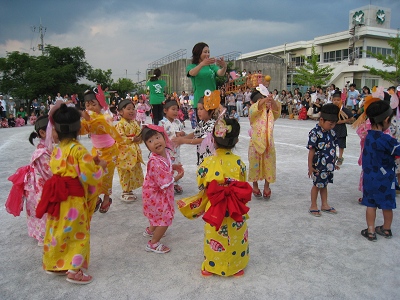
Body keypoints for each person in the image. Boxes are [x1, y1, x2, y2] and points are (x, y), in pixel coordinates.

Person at [37, 102, 106, 283]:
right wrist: (101, 167)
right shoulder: (78, 149)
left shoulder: (57, 149)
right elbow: (89, 176)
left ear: (57, 131)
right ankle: (74, 270)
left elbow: (66, 168)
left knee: (58, 230)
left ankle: (56, 262)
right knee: (78, 233)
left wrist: (91, 161)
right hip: (73, 199)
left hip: (58, 197)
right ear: (78, 129)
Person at [177, 118, 251, 277]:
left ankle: (210, 266)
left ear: (213, 140)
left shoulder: (207, 162)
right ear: (236, 140)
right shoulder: (239, 162)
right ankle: (236, 266)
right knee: (235, 233)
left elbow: (201, 183)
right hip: (235, 207)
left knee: (214, 235)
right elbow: (242, 182)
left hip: (215, 205)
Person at [140, 125, 184, 254]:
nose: (155, 142)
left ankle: (150, 230)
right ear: (147, 146)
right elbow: (164, 182)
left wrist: (174, 166)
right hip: (156, 194)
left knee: (157, 215)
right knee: (165, 218)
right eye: (150, 141)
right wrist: (177, 178)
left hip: (156, 194)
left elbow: (166, 167)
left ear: (164, 137)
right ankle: (153, 243)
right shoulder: (155, 161)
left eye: (157, 137)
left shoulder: (164, 154)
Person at [360, 100, 399, 241]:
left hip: (370, 177)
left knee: (371, 205)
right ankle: (386, 228)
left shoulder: (368, 137)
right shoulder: (387, 140)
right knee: (387, 204)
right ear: (387, 119)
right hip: (386, 179)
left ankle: (371, 231)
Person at [80, 89, 123, 214]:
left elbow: (103, 124)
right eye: (87, 105)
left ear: (101, 104)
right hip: (96, 151)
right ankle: (96, 197)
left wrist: (88, 118)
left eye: (94, 104)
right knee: (94, 174)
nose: (90, 107)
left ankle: (106, 197)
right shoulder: (88, 118)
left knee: (107, 177)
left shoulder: (105, 117)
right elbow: (83, 130)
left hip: (110, 151)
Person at [248, 82, 281, 199]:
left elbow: (277, 110)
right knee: (254, 164)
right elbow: (254, 108)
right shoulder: (253, 111)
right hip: (255, 143)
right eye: (263, 101)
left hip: (268, 143)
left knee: (269, 164)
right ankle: (255, 185)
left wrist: (272, 101)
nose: (266, 104)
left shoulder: (270, 112)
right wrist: (264, 100)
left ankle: (267, 186)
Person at [307, 103, 340, 217]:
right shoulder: (315, 133)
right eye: (330, 124)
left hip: (329, 165)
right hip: (318, 165)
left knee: (324, 184)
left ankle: (324, 204)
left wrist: (334, 162)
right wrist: (310, 166)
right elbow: (311, 150)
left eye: (334, 124)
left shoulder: (332, 132)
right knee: (317, 185)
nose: (332, 126)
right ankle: (313, 205)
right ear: (321, 120)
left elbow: (333, 148)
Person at [172, 97, 217, 165]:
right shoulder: (201, 123)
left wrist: (183, 141)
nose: (198, 111)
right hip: (202, 158)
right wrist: (183, 137)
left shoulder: (213, 125)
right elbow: (195, 134)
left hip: (210, 160)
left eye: (201, 109)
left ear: (211, 111)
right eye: (198, 109)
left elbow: (202, 140)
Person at [115, 99, 144, 202]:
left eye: (133, 109)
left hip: (134, 152)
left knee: (133, 171)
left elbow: (139, 135)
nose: (132, 111)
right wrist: (132, 139)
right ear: (121, 112)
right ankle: (125, 191)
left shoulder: (134, 123)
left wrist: (140, 137)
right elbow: (119, 138)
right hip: (124, 153)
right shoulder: (120, 125)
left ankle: (130, 190)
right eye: (128, 109)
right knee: (125, 171)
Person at [186, 42, 227, 112]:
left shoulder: (211, 66)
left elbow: (220, 73)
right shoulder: (192, 66)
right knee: (202, 123)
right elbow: (192, 73)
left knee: (214, 122)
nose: (207, 54)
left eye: (208, 52)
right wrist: (202, 64)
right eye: (205, 52)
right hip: (200, 102)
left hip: (213, 101)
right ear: (198, 53)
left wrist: (224, 66)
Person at [158, 99, 185, 194]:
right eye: (173, 109)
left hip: (176, 150)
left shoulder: (178, 122)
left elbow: (182, 132)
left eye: (177, 110)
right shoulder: (162, 123)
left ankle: (176, 183)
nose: (175, 112)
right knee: (167, 166)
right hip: (166, 151)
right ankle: (167, 183)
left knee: (177, 166)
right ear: (165, 111)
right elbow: (159, 136)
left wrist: (181, 133)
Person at [331, 92, 354, 165]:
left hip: (341, 129)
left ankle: (340, 157)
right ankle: (334, 156)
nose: (336, 101)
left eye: (338, 100)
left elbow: (352, 118)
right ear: (332, 100)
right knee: (332, 143)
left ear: (341, 100)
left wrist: (343, 121)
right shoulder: (330, 108)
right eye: (334, 100)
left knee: (341, 144)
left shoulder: (344, 109)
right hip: (332, 128)